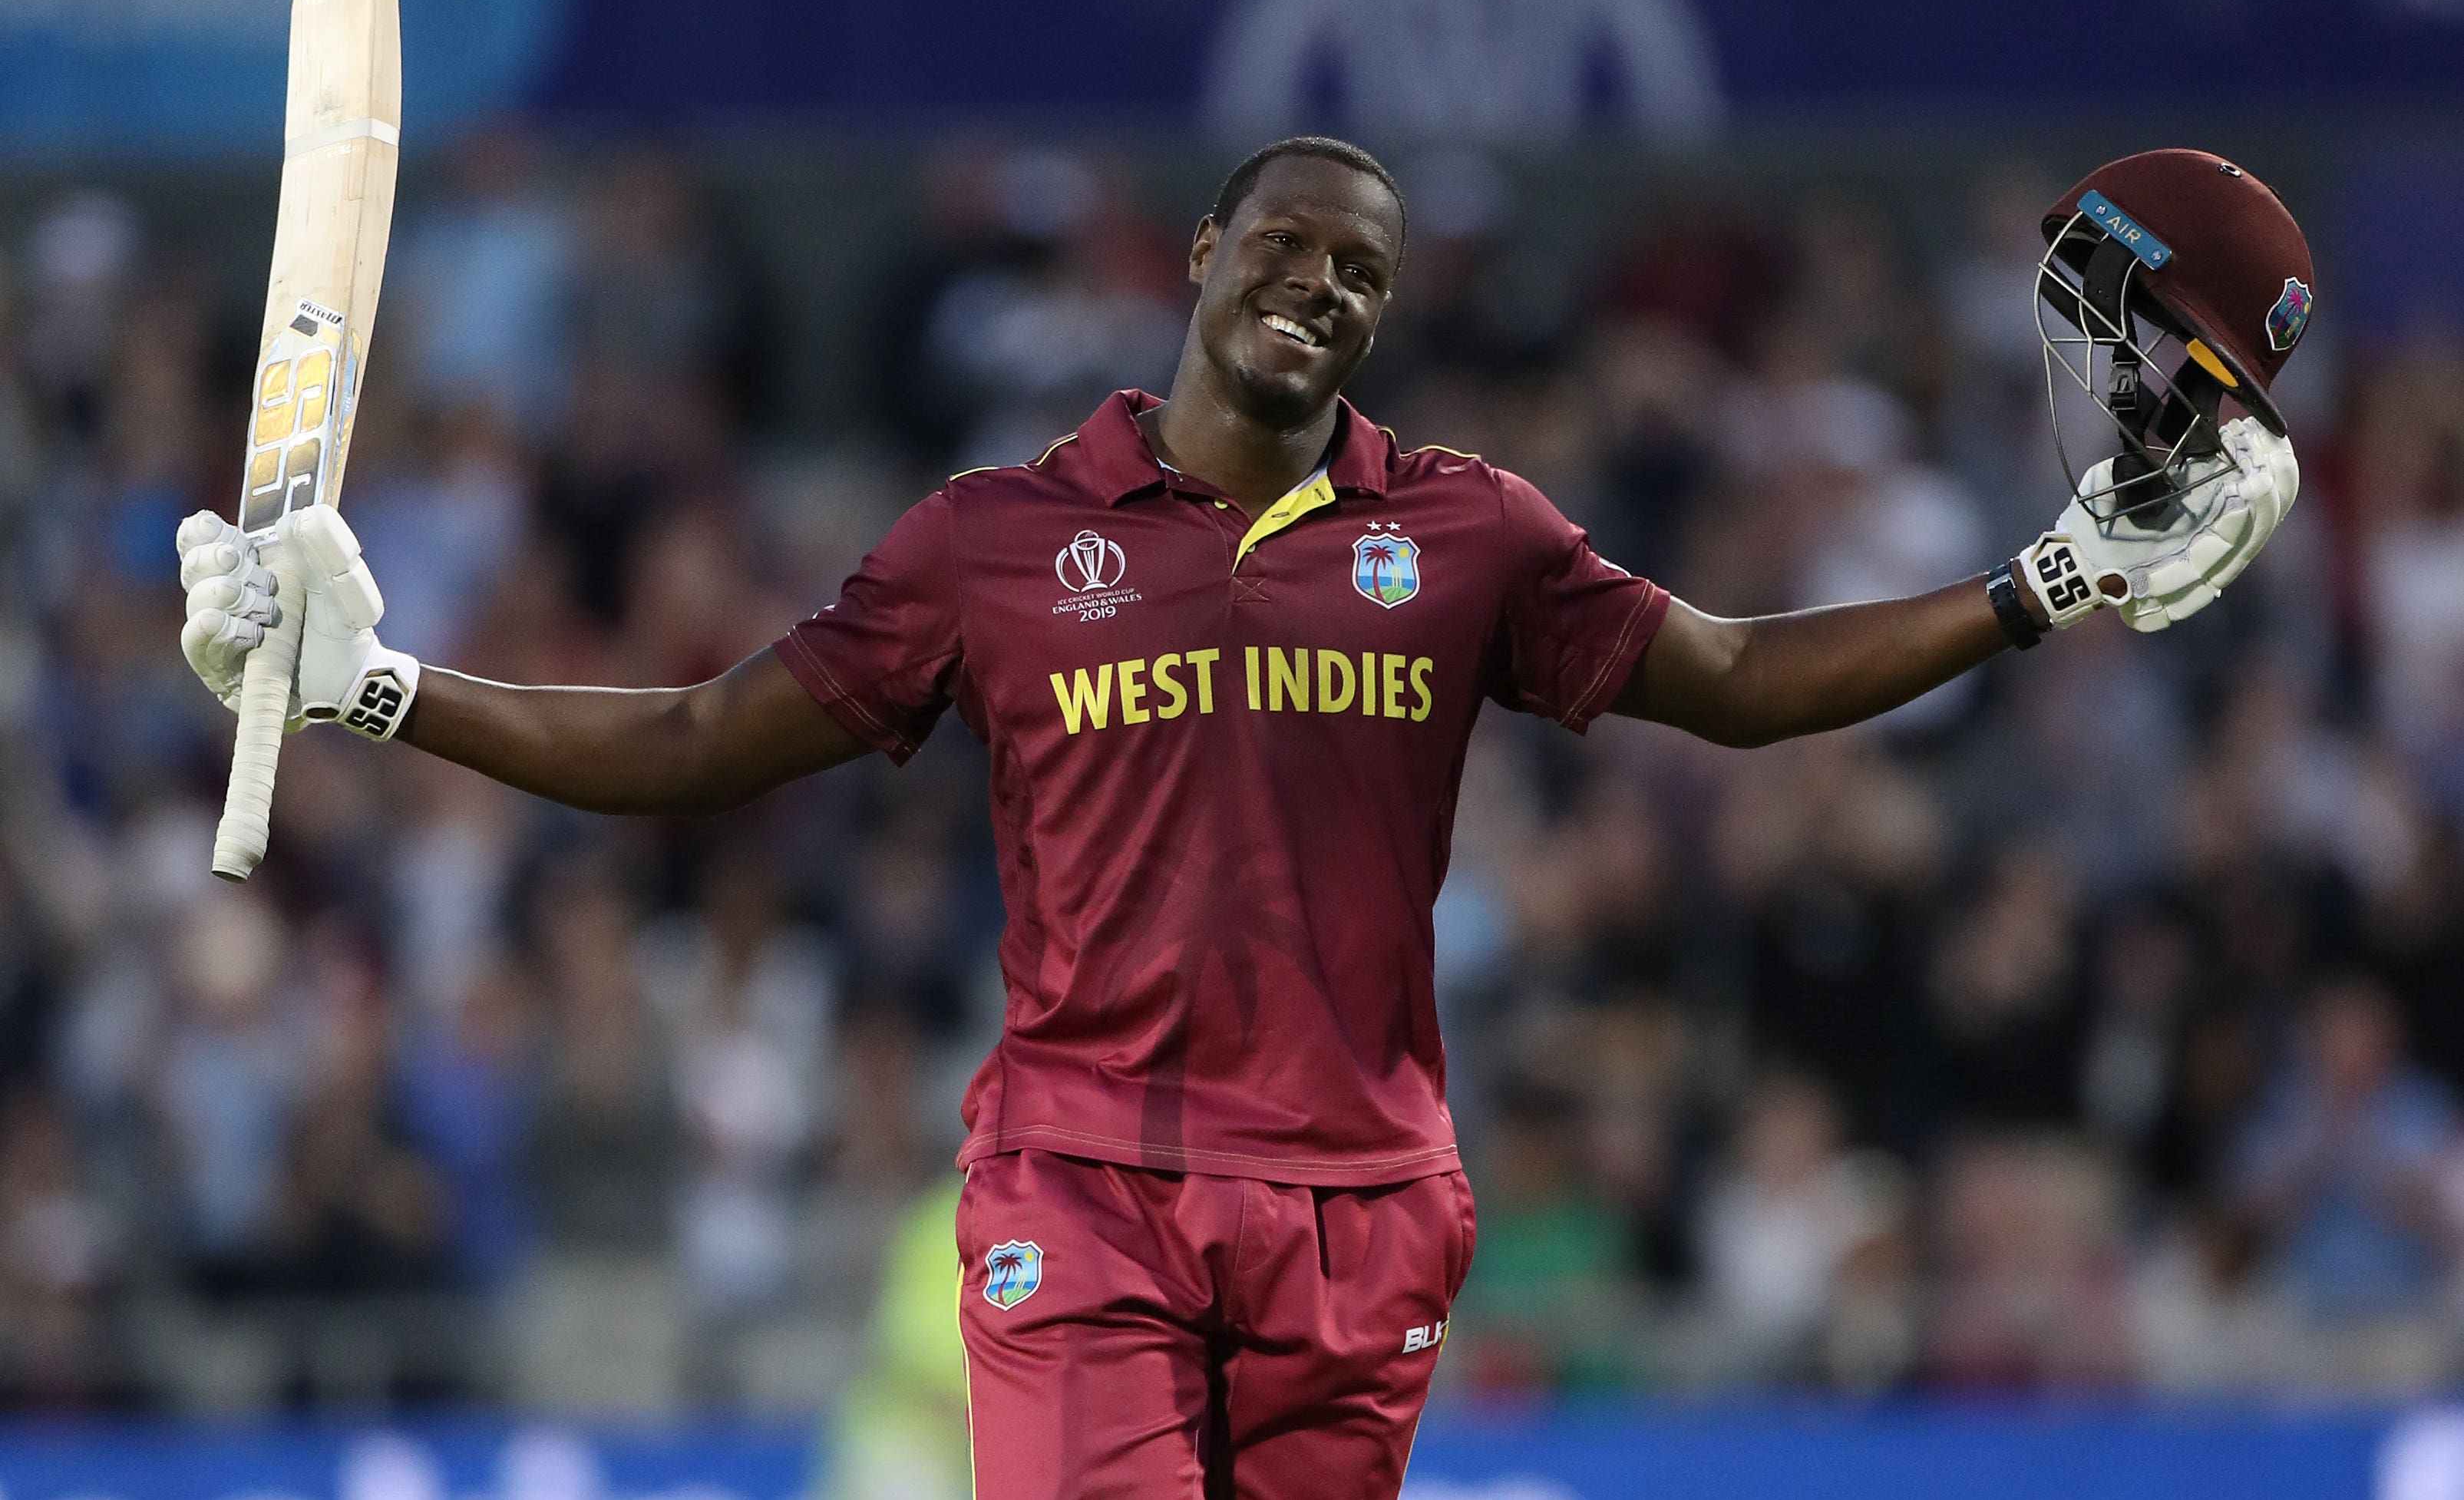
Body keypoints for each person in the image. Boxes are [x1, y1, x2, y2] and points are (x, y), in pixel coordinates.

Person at [174, 139, 2310, 1498]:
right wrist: (375, 683)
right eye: (1287, 240)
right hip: (1080, 1182)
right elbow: (694, 747)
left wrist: (2036, 590)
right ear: (1199, 252)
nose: (1322, 282)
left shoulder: (1468, 532)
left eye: (1364, 269)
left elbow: (1736, 682)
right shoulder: (993, 541)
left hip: (1362, 1203)